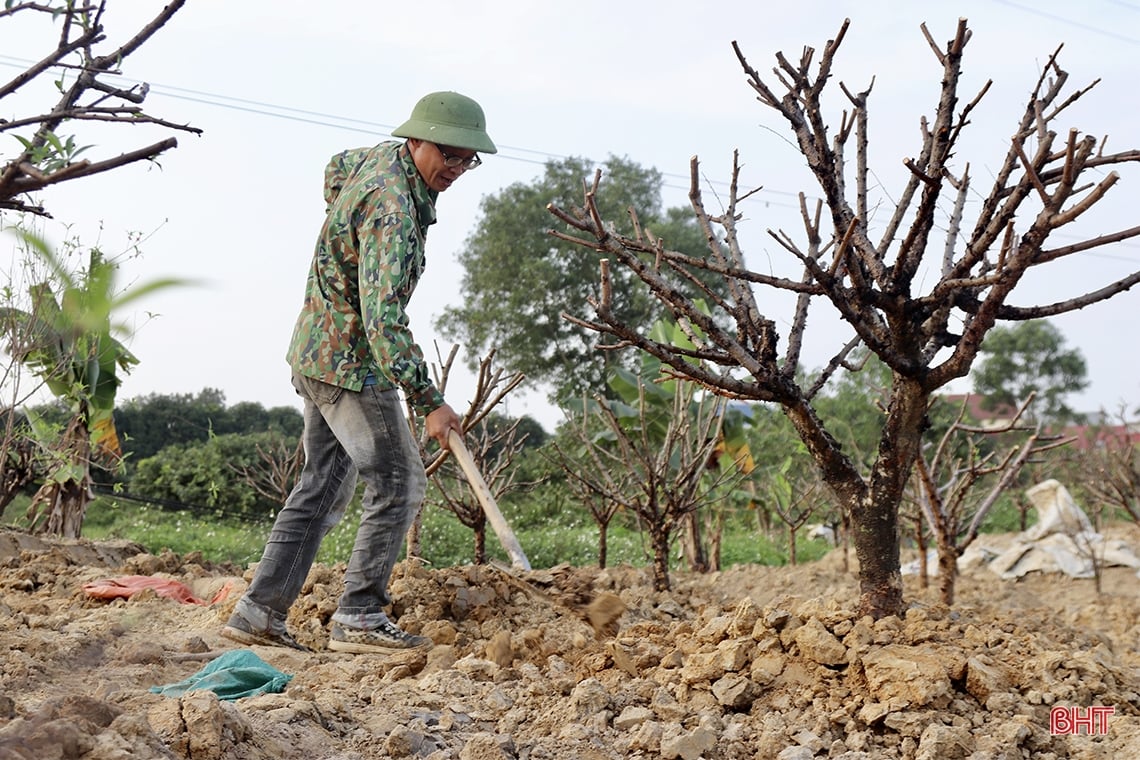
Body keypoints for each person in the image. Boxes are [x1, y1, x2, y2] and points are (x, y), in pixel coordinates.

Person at [221, 91, 496, 654]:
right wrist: (430, 401)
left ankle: (258, 612)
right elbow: (384, 317)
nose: (457, 167)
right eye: (449, 153)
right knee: (399, 482)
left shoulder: (375, 163)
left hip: (315, 349)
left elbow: (334, 169)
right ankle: (361, 616)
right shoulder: (393, 211)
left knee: (321, 484)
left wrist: (340, 234)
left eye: (469, 158)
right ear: (416, 139)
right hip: (351, 363)